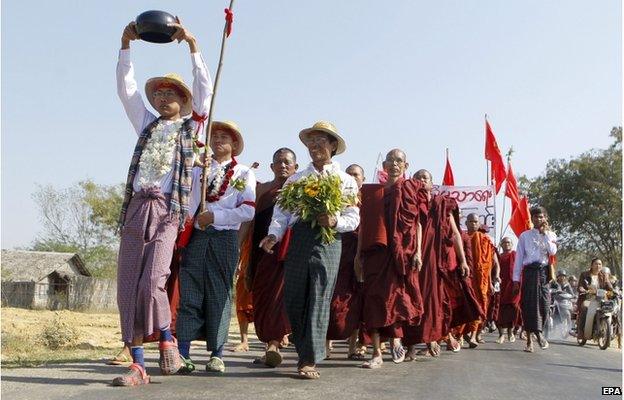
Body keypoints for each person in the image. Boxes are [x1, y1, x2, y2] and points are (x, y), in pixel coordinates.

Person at [113, 19, 212, 386]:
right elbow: (127, 90)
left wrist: (192, 44)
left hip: (169, 211)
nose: (163, 98)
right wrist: (126, 45)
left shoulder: (192, 128)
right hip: (138, 207)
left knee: (154, 279)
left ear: (183, 102)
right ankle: (137, 363)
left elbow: (205, 91)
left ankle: (167, 335)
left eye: (172, 94)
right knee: (127, 284)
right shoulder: (146, 125)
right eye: (160, 94)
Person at [260, 121, 359, 379]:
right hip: (300, 239)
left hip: (329, 241)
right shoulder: (297, 178)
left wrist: (335, 221)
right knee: (294, 298)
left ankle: (308, 359)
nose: (315, 146)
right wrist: (273, 235)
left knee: (318, 297)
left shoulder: (345, 180)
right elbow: (281, 213)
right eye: (311, 141)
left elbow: (354, 217)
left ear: (333, 146)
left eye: (321, 141)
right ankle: (304, 348)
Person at [175, 121, 256, 374]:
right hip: (196, 238)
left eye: (225, 137)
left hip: (225, 238)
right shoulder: (199, 168)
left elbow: (248, 210)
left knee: (220, 295)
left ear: (234, 145)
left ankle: (217, 354)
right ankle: (183, 352)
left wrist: (216, 216)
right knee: (189, 292)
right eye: (215, 135)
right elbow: (185, 199)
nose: (219, 140)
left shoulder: (243, 173)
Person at [357, 149, 425, 369]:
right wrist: (358, 254)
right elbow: (365, 226)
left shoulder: (411, 189)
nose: (394, 164)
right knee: (374, 300)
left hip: (401, 254)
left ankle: (397, 339)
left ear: (406, 165)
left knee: (396, 299)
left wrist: (418, 252)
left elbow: (418, 224)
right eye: (390, 161)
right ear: (384, 166)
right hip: (376, 254)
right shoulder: (372, 193)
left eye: (399, 161)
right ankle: (376, 352)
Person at [402, 169, 471, 358]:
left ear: (433, 184)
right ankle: (410, 346)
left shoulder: (442, 204)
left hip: (433, 259)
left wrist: (463, 260)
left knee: (432, 301)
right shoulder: (409, 203)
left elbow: (456, 234)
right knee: (412, 299)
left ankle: (433, 337)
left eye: (425, 178)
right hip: (413, 259)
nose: (422, 181)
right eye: (418, 178)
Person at [250, 148, 298, 368]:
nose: (283, 166)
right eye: (278, 162)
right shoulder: (263, 192)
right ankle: (270, 344)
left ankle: (274, 344)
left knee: (280, 300)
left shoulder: (301, 191)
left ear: (296, 167)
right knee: (262, 298)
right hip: (263, 254)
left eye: (288, 162)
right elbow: (253, 227)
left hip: (288, 256)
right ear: (271, 167)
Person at [326, 164, 366, 360]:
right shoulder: (336, 197)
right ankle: (326, 344)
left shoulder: (367, 202)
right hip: (336, 251)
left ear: (362, 179)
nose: (352, 177)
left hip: (358, 254)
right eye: (349, 174)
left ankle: (353, 346)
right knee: (331, 298)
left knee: (355, 300)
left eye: (356, 175)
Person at [512, 206, 557, 353]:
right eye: (536, 216)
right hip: (529, 273)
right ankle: (532, 339)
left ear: (546, 218)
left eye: (542, 216)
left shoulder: (551, 235)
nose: (539, 219)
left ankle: (539, 332)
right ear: (531, 218)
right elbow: (519, 259)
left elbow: (553, 252)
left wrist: (545, 235)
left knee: (544, 306)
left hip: (543, 273)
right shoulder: (524, 236)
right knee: (530, 306)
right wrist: (515, 279)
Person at [463, 213, 500, 347]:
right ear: (466, 223)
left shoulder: (485, 240)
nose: (473, 224)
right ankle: (462, 334)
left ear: (479, 224)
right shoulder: (462, 237)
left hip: (481, 281)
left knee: (479, 305)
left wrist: (490, 280)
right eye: (471, 221)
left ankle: (473, 335)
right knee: (465, 306)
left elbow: (489, 263)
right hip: (466, 278)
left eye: (476, 222)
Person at [576, 258, 613, 341]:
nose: (598, 266)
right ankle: (581, 332)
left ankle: (609, 331)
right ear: (591, 265)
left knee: (611, 308)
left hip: (601, 299)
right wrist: (583, 290)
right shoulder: (584, 274)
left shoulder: (603, 275)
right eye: (596, 264)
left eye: (600, 264)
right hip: (588, 299)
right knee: (585, 308)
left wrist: (613, 290)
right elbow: (580, 286)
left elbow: (608, 285)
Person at [496, 237, 521, 343]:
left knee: (513, 308)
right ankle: (501, 334)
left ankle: (511, 332)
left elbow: (520, 269)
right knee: (499, 309)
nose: (507, 244)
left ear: (512, 244)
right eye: (504, 243)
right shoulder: (498, 257)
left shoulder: (516, 255)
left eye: (509, 242)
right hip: (501, 285)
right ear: (501, 245)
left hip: (513, 286)